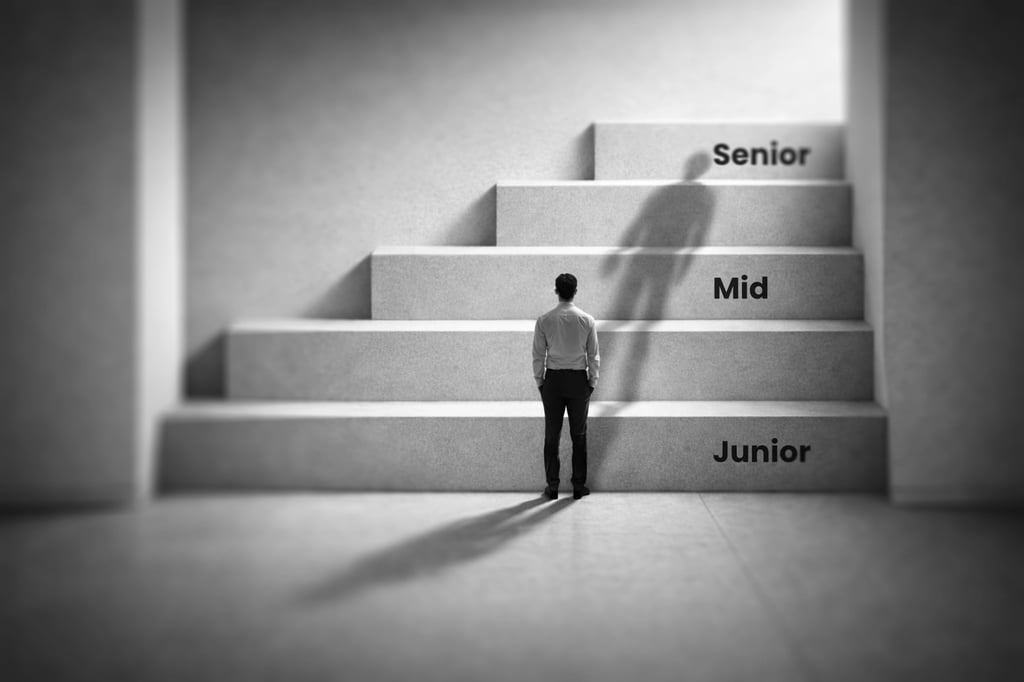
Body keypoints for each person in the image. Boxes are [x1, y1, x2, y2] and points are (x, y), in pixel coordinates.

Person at [532, 273, 599, 500]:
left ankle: (552, 487)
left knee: (552, 435)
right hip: (579, 380)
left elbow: (538, 354)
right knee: (579, 435)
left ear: (556, 291)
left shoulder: (544, 320)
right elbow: (594, 355)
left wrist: (540, 380)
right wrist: (592, 381)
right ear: (576, 291)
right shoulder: (587, 320)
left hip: (553, 381)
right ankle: (578, 487)